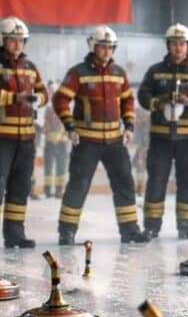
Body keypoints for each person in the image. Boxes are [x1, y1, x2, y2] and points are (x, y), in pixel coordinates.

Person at [53, 25, 148, 245]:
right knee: (78, 184)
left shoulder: (119, 73)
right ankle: (66, 232)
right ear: (92, 46)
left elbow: (128, 100)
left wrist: (129, 126)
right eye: (102, 47)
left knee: (125, 182)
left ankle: (130, 230)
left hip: (115, 141)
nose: (106, 51)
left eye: (110, 47)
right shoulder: (78, 73)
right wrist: (69, 125)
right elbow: (61, 99)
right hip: (86, 141)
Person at [0, 17, 47, 248]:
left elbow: (44, 91)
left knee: (21, 185)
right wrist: (16, 98)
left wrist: (40, 99)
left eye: (21, 40)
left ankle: (15, 235)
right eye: (12, 40)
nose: (17, 44)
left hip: (26, 137)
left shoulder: (30, 67)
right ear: (1, 40)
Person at [137, 23, 188, 239]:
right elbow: (143, 96)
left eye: (182, 44)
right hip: (160, 137)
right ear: (168, 45)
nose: (178, 48)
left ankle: (186, 225)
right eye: (174, 44)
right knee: (156, 180)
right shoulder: (154, 71)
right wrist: (158, 102)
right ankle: (152, 225)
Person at [42, 82, 68, 198]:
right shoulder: (46, 106)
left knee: (61, 167)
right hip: (49, 142)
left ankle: (59, 190)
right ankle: (48, 190)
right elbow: (43, 125)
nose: (51, 92)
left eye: (53, 90)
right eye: (49, 90)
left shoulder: (64, 105)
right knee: (48, 166)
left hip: (62, 142)